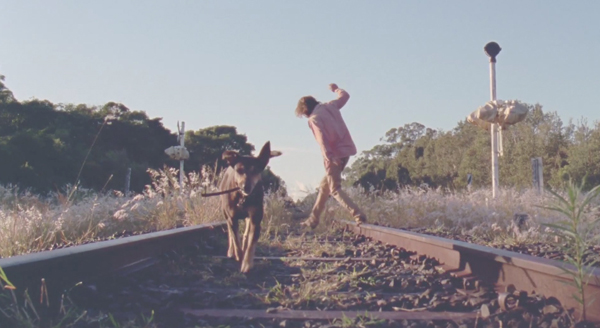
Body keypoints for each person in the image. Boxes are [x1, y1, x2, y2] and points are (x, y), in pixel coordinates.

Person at [295, 83, 367, 229]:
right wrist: (335, 89)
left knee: (334, 189)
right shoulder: (330, 106)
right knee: (324, 187)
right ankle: (313, 220)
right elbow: (345, 96)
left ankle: (358, 215)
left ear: (305, 110)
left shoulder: (314, 119)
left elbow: (322, 139)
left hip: (334, 155)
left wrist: (329, 157)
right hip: (346, 151)